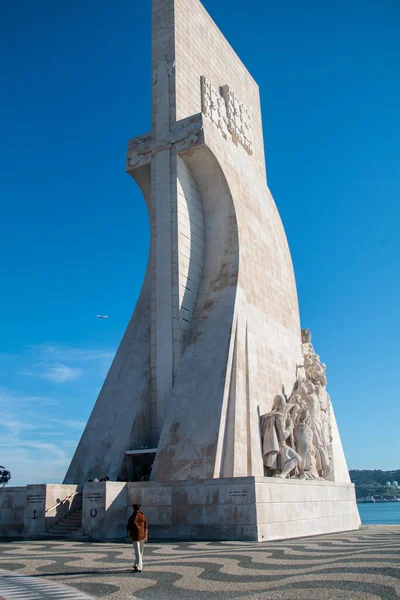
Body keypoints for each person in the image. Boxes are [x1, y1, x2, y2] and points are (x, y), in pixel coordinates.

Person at [126, 504, 148, 572]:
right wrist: (146, 535)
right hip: (143, 535)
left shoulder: (133, 516)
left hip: (136, 535)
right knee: (140, 551)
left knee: (137, 552)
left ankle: (139, 567)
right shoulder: (142, 515)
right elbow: (146, 526)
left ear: (133, 508)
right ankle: (136, 564)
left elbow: (130, 524)